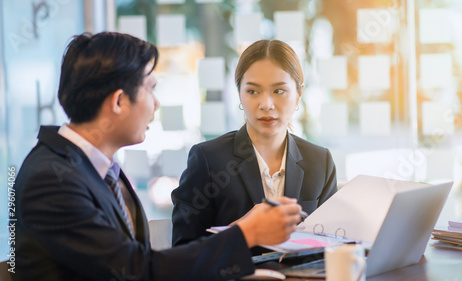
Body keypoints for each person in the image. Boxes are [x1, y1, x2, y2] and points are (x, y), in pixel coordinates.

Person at [13, 32, 302, 281]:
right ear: (119, 101)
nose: (156, 104)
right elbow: (138, 271)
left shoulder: (98, 168)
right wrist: (245, 233)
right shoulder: (51, 180)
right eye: (150, 88)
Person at [171, 39, 337, 247]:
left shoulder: (320, 162)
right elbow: (182, 250)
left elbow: (333, 243)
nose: (266, 105)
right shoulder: (208, 159)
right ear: (239, 93)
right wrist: (244, 230)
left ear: (299, 94)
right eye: (252, 91)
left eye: (279, 91)